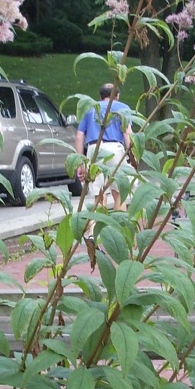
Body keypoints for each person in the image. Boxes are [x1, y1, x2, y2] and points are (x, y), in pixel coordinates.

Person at [75, 82, 134, 257]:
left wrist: (80, 162)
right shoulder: (123, 108)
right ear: (117, 95)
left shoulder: (90, 108)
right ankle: (119, 234)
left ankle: (93, 234)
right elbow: (127, 133)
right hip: (115, 149)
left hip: (94, 149)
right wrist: (132, 155)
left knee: (98, 195)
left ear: (101, 96)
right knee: (119, 193)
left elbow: (79, 136)